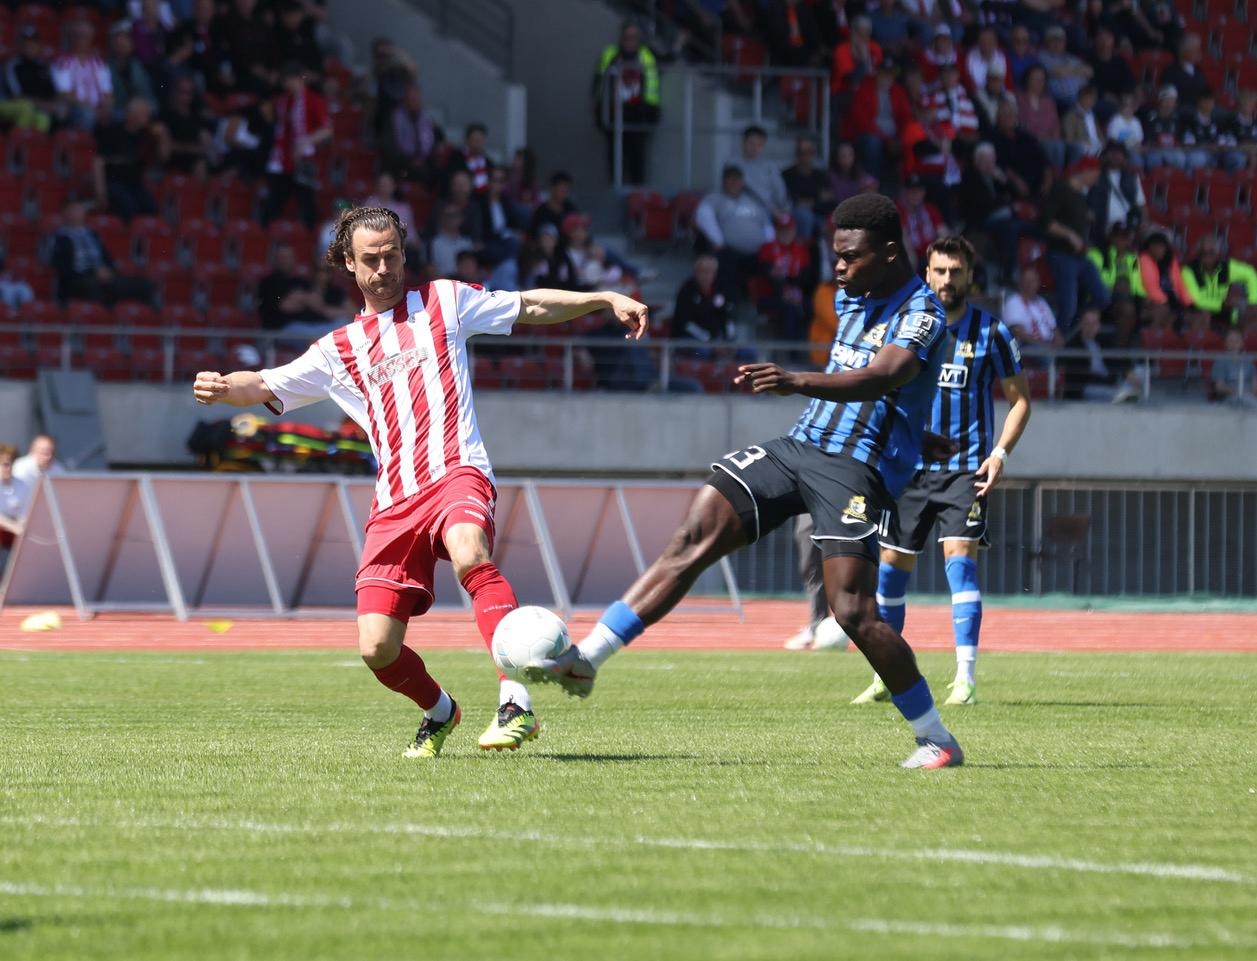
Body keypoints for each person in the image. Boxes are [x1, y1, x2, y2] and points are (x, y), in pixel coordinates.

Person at [527, 194, 966, 770]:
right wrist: (913, 430)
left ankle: (936, 738)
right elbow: (876, 385)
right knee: (695, 532)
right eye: (835, 255)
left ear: (889, 252)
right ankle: (589, 657)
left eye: (851, 257)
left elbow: (888, 374)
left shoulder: (923, 311)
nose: (838, 267)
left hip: (854, 467)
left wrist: (797, 381)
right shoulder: (852, 293)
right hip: (801, 444)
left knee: (852, 611)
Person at [192, 205, 648, 757]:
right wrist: (223, 387)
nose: (383, 268)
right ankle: (440, 710)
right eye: (371, 259)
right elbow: (265, 383)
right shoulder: (337, 350)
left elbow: (529, 305)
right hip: (395, 503)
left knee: (469, 551)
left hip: (457, 470)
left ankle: (515, 702)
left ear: (405, 254)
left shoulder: (444, 301)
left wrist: (603, 298)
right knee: (376, 647)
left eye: (392, 255)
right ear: (348, 263)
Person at [849, 235, 1029, 707]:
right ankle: (886, 676)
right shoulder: (904, 327)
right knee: (890, 572)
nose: (948, 279)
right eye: (940, 271)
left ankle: (964, 679)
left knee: (960, 562)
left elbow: (1020, 401)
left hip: (965, 471)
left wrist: (1000, 454)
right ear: (926, 274)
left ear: (970, 276)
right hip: (907, 468)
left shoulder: (991, 333)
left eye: (956, 271)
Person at [261, 62, 332, 229]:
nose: (287, 85)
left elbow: (327, 130)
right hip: (283, 159)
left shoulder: (314, 100)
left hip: (305, 159)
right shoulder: (282, 101)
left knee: (307, 201)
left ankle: (309, 234)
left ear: (298, 79)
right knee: (274, 201)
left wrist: (307, 141)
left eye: (289, 80)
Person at [1040, 157, 1108, 329]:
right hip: (1061, 254)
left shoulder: (1081, 196)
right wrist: (1069, 235)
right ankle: (1060, 337)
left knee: (1102, 297)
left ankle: (1076, 329)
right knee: (1069, 305)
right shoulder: (1061, 189)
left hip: (1080, 256)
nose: (1096, 180)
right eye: (1095, 175)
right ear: (1086, 172)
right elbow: (1047, 223)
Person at [593, 19, 661, 184]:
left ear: (639, 39)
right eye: (627, 37)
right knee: (615, 157)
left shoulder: (646, 56)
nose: (630, 41)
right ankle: (616, 186)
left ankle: (637, 192)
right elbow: (598, 84)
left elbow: (664, 63)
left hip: (640, 115)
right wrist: (600, 113)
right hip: (615, 114)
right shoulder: (610, 54)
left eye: (634, 37)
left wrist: (652, 114)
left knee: (637, 157)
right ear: (621, 38)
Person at [1183, 236, 1257, 324]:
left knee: (1251, 316)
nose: (1207, 255)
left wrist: (1253, 302)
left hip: (1224, 311)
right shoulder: (1188, 271)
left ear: (1217, 253)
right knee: (1204, 316)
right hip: (1198, 312)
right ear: (1198, 254)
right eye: (1203, 252)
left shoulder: (1226, 267)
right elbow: (1195, 300)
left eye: (1211, 252)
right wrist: (1222, 304)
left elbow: (1250, 273)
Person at [0, 444, 29, 576]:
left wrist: (21, 525)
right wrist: (13, 526)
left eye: (11, 464)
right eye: (5, 464)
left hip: (13, 533)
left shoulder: (21, 484)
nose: (9, 468)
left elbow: (25, 511)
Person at [1211, 328, 1257, 406]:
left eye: (1237, 341)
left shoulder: (1248, 361)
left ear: (1242, 343)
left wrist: (1248, 394)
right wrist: (1238, 393)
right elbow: (1219, 387)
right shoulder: (1220, 361)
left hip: (1250, 398)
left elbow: (1255, 386)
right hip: (1229, 399)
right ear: (1225, 343)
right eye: (1230, 341)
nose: (1233, 344)